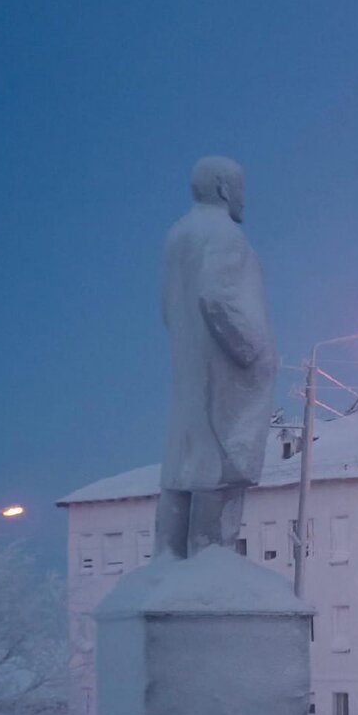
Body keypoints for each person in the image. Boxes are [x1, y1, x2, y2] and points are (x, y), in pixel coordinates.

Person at [156, 156, 276, 557]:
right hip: (223, 370)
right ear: (225, 188)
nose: (245, 198)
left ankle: (170, 555)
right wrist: (255, 351)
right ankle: (211, 556)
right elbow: (218, 297)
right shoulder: (224, 236)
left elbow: (167, 307)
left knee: (184, 464)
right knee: (220, 463)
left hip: (191, 365)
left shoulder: (178, 235)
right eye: (241, 188)